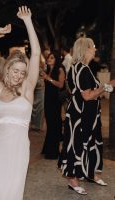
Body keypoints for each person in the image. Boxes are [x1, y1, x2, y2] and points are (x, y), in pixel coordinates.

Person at [0, 6, 40, 199]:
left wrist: (28, 21)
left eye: (23, 72)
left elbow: (35, 54)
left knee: (12, 190)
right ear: (8, 67)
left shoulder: (27, 88)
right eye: (16, 70)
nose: (19, 75)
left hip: (18, 148)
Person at [58, 37, 115, 195]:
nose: (95, 49)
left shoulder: (79, 68)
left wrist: (102, 89)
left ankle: (90, 174)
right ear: (86, 49)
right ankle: (72, 179)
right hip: (82, 115)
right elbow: (87, 96)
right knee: (77, 144)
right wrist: (105, 86)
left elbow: (76, 92)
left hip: (84, 114)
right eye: (93, 47)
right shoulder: (82, 69)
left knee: (89, 143)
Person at [41, 51, 66, 159]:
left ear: (56, 59)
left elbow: (61, 85)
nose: (49, 59)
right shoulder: (48, 70)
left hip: (55, 101)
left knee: (54, 124)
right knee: (49, 123)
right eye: (48, 58)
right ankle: (48, 147)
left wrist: (48, 79)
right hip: (48, 99)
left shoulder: (60, 69)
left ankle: (53, 151)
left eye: (52, 58)